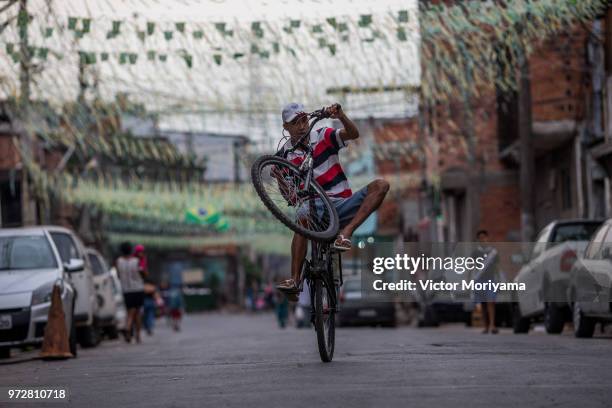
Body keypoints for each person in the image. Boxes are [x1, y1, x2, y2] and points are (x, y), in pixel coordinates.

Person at [275, 103, 389, 293]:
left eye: (304, 119)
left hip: (341, 203)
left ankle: (346, 233)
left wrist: (341, 116)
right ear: (286, 127)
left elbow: (353, 134)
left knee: (381, 186)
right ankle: (295, 280)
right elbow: (291, 198)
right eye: (295, 122)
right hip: (312, 209)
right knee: (302, 213)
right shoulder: (283, 155)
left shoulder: (322, 135)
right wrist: (279, 179)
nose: (302, 125)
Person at [115, 241, 145, 343]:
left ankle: (130, 329)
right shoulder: (137, 261)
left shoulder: (118, 261)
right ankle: (135, 333)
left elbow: (118, 275)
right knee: (137, 313)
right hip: (138, 289)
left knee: (130, 311)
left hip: (126, 290)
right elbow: (143, 273)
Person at [472, 230, 499, 334]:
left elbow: (497, 267)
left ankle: (493, 325)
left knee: (491, 302)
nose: (482, 239)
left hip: (491, 279)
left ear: (487, 238)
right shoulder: (475, 252)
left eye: (484, 237)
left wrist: (499, 280)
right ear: (478, 240)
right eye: (480, 238)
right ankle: (486, 326)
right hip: (479, 279)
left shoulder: (493, 252)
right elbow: (471, 267)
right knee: (483, 303)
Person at [135, 244, 156, 336]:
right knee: (140, 313)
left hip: (147, 298)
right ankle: (143, 329)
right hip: (136, 291)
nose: (141, 253)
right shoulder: (133, 260)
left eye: (142, 251)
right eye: (139, 251)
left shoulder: (143, 260)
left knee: (148, 313)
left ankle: (148, 327)